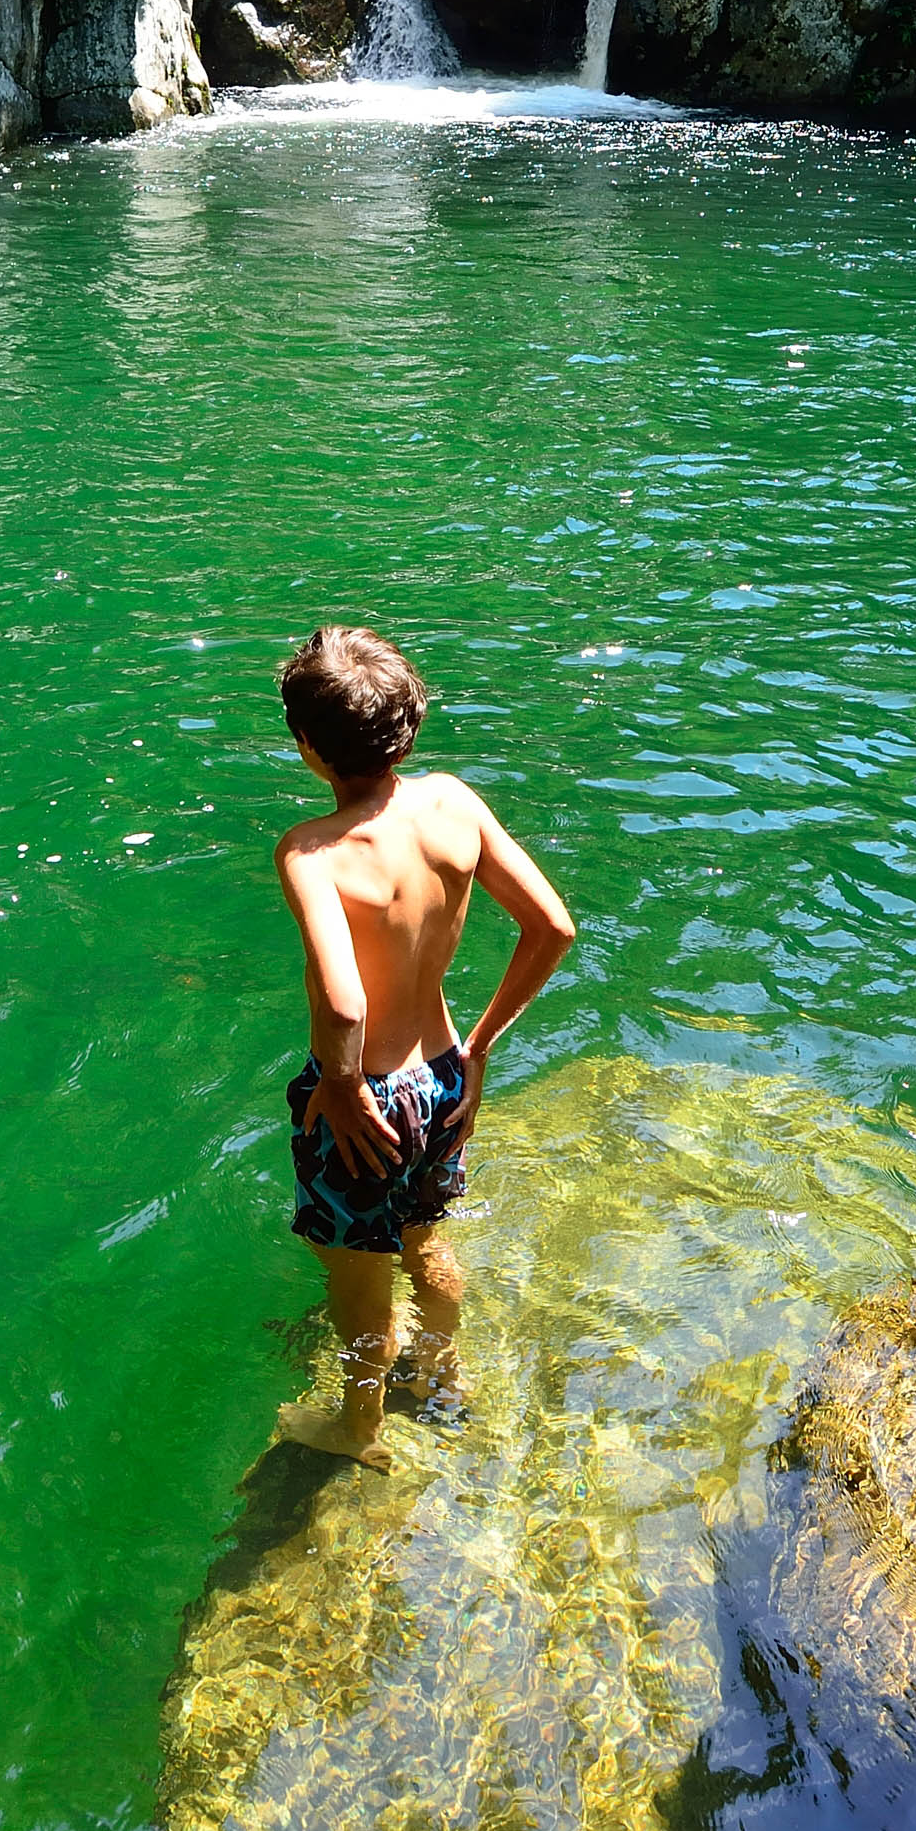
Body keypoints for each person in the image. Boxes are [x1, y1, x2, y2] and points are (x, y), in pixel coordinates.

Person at [265, 623, 578, 1466]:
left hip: (364, 1100)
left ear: (307, 745)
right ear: (410, 725)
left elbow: (343, 1001)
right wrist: (480, 1046)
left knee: (358, 1280)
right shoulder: (454, 804)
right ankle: (442, 1374)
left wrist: (340, 1087)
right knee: (426, 1240)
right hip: (442, 1078)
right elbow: (552, 927)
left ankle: (358, 1428)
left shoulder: (311, 850)